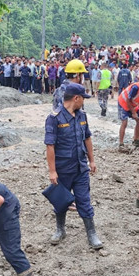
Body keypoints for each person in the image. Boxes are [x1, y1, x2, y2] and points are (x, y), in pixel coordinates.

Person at [44, 84, 104, 250]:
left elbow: (88, 138)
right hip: (63, 169)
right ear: (76, 98)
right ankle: (60, 229)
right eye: (83, 98)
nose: (84, 101)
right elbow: (50, 146)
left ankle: (91, 233)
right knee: (61, 201)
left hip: (80, 167)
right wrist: (52, 171)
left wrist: (92, 160)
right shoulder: (54, 118)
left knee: (84, 200)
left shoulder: (82, 116)